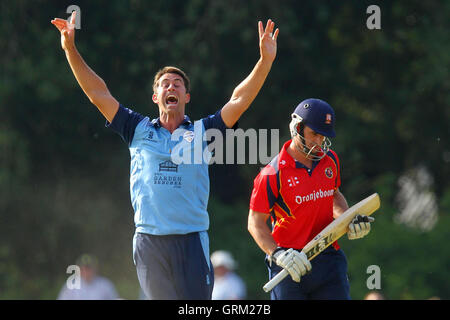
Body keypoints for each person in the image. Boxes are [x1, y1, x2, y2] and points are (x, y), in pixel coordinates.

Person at [51, 11, 279, 299]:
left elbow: (239, 100)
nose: (171, 86)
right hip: (149, 241)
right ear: (155, 97)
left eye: (178, 84)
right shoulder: (136, 128)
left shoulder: (203, 131)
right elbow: (98, 93)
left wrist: (264, 61)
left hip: (191, 240)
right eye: (164, 84)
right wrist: (70, 49)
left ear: (186, 97)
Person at [247, 98, 374, 300]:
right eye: (314, 133)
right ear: (297, 128)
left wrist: (349, 219)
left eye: (323, 136)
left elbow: (333, 194)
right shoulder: (272, 173)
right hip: (290, 262)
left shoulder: (330, 159)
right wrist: (278, 254)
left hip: (327, 256)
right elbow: (255, 224)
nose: (319, 142)